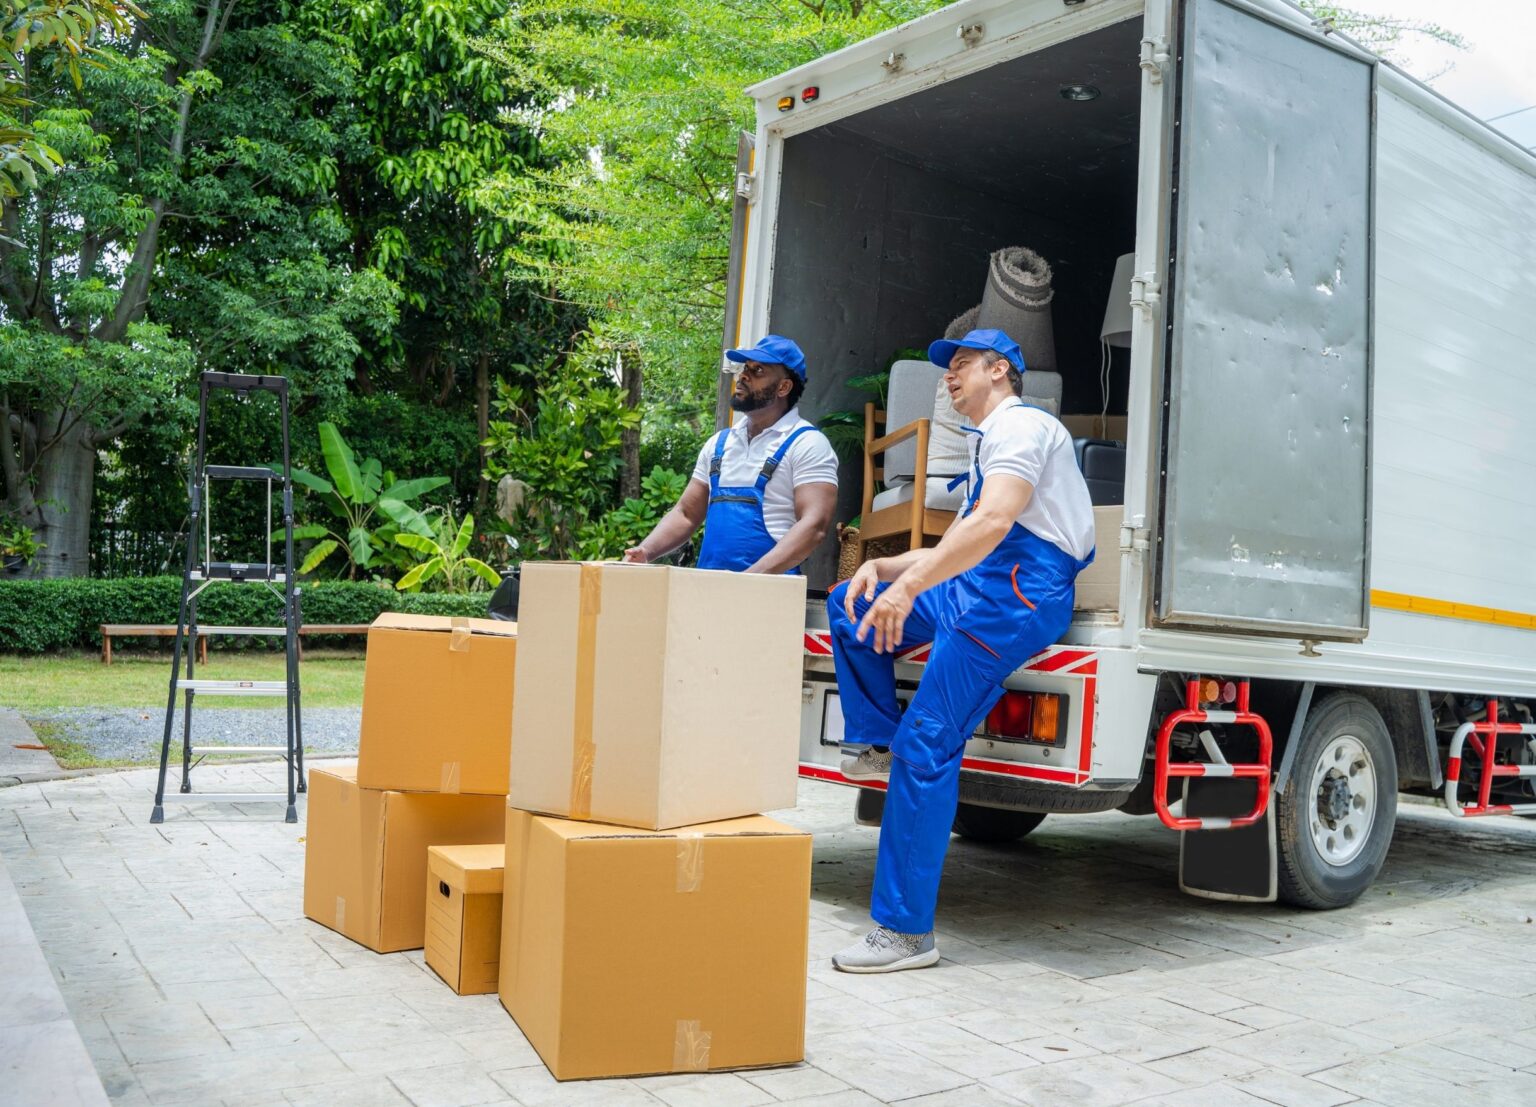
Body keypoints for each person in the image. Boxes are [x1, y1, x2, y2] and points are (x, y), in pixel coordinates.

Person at [826, 327, 1096, 972]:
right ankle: (874, 744)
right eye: (946, 368)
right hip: (976, 583)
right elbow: (967, 544)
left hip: (1015, 599)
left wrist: (912, 582)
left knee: (929, 743)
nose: (948, 376)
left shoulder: (1023, 428)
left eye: (962, 365)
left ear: (999, 370)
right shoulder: (987, 443)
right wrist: (888, 572)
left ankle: (905, 934)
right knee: (849, 603)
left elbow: (993, 523)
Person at [623, 335, 837, 573]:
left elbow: (814, 525)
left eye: (758, 371)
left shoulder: (808, 444)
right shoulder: (719, 444)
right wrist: (645, 552)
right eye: (745, 368)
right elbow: (685, 514)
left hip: (771, 593)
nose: (743, 376)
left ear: (783, 387)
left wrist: (749, 580)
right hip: (708, 589)